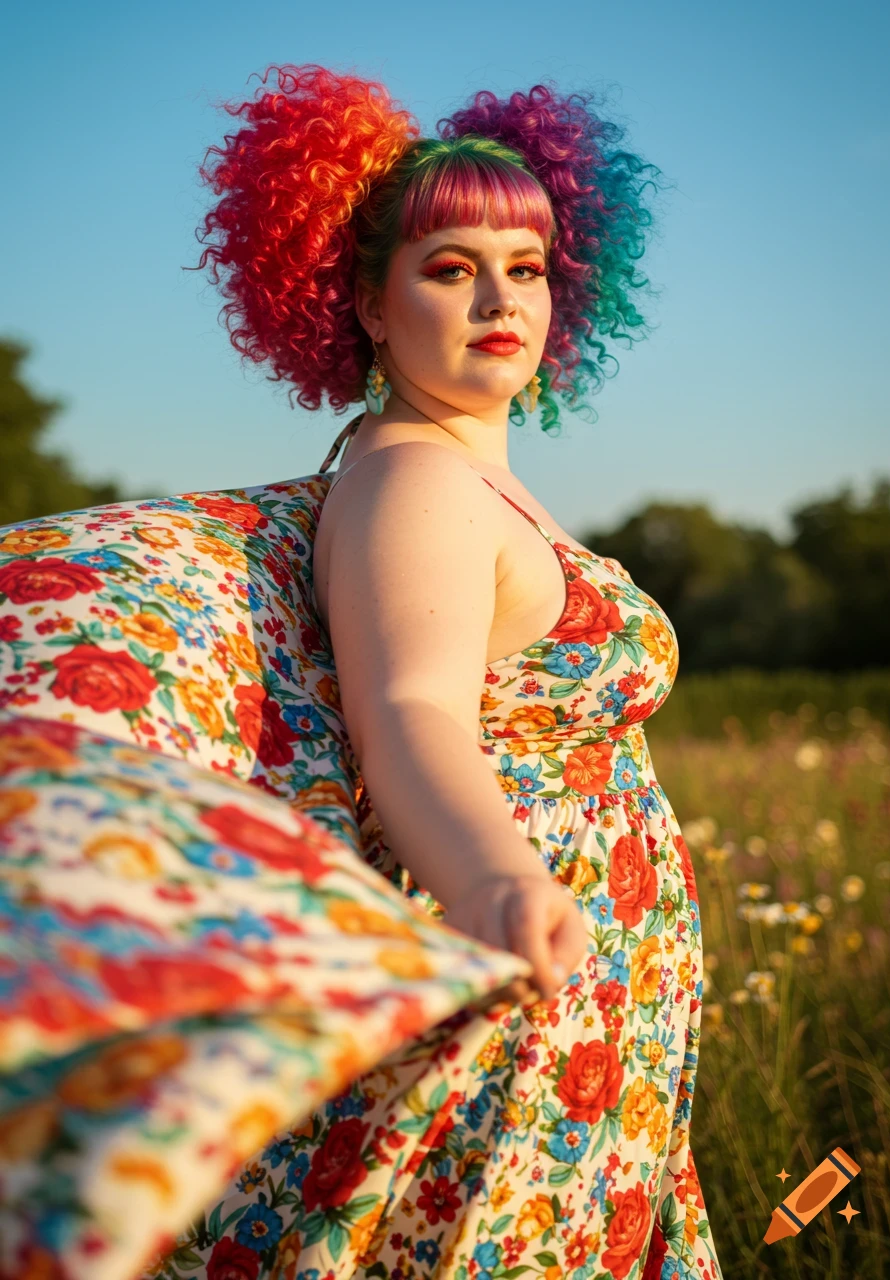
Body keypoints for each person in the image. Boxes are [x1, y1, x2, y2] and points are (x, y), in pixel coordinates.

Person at [152, 64, 722, 1280]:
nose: (497, 299)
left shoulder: (473, 475)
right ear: (365, 302)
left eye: (525, 268)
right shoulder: (409, 478)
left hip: (577, 1003)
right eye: (448, 268)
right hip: (508, 989)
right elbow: (413, 717)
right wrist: (497, 879)